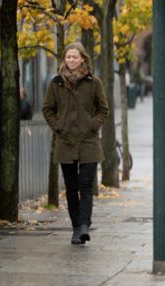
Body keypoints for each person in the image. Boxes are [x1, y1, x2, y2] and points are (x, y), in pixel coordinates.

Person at [42, 42, 109, 245]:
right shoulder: (56, 83)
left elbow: (103, 109)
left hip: (88, 141)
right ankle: (76, 228)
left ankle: (84, 226)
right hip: (66, 141)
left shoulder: (93, 82)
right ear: (64, 59)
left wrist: (92, 125)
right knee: (71, 188)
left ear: (82, 59)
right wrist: (59, 126)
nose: (71, 60)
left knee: (85, 185)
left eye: (74, 57)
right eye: (68, 57)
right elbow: (47, 109)